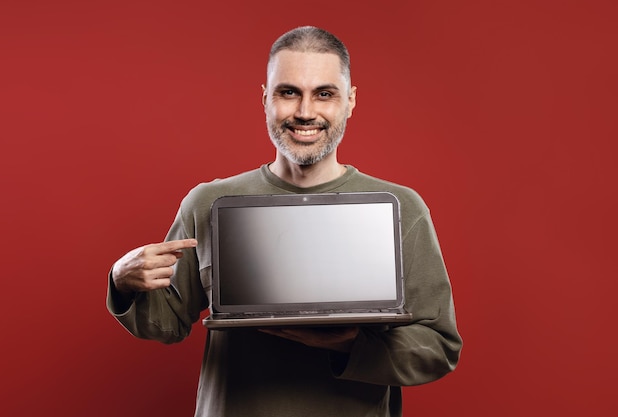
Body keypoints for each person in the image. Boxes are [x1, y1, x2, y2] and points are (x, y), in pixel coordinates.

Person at [107, 26, 462, 417]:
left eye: (324, 94)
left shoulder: (403, 208)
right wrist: (123, 282)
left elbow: (439, 347)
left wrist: (349, 344)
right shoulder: (206, 203)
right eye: (288, 92)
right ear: (265, 99)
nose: (305, 111)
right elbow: (166, 324)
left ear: (350, 101)